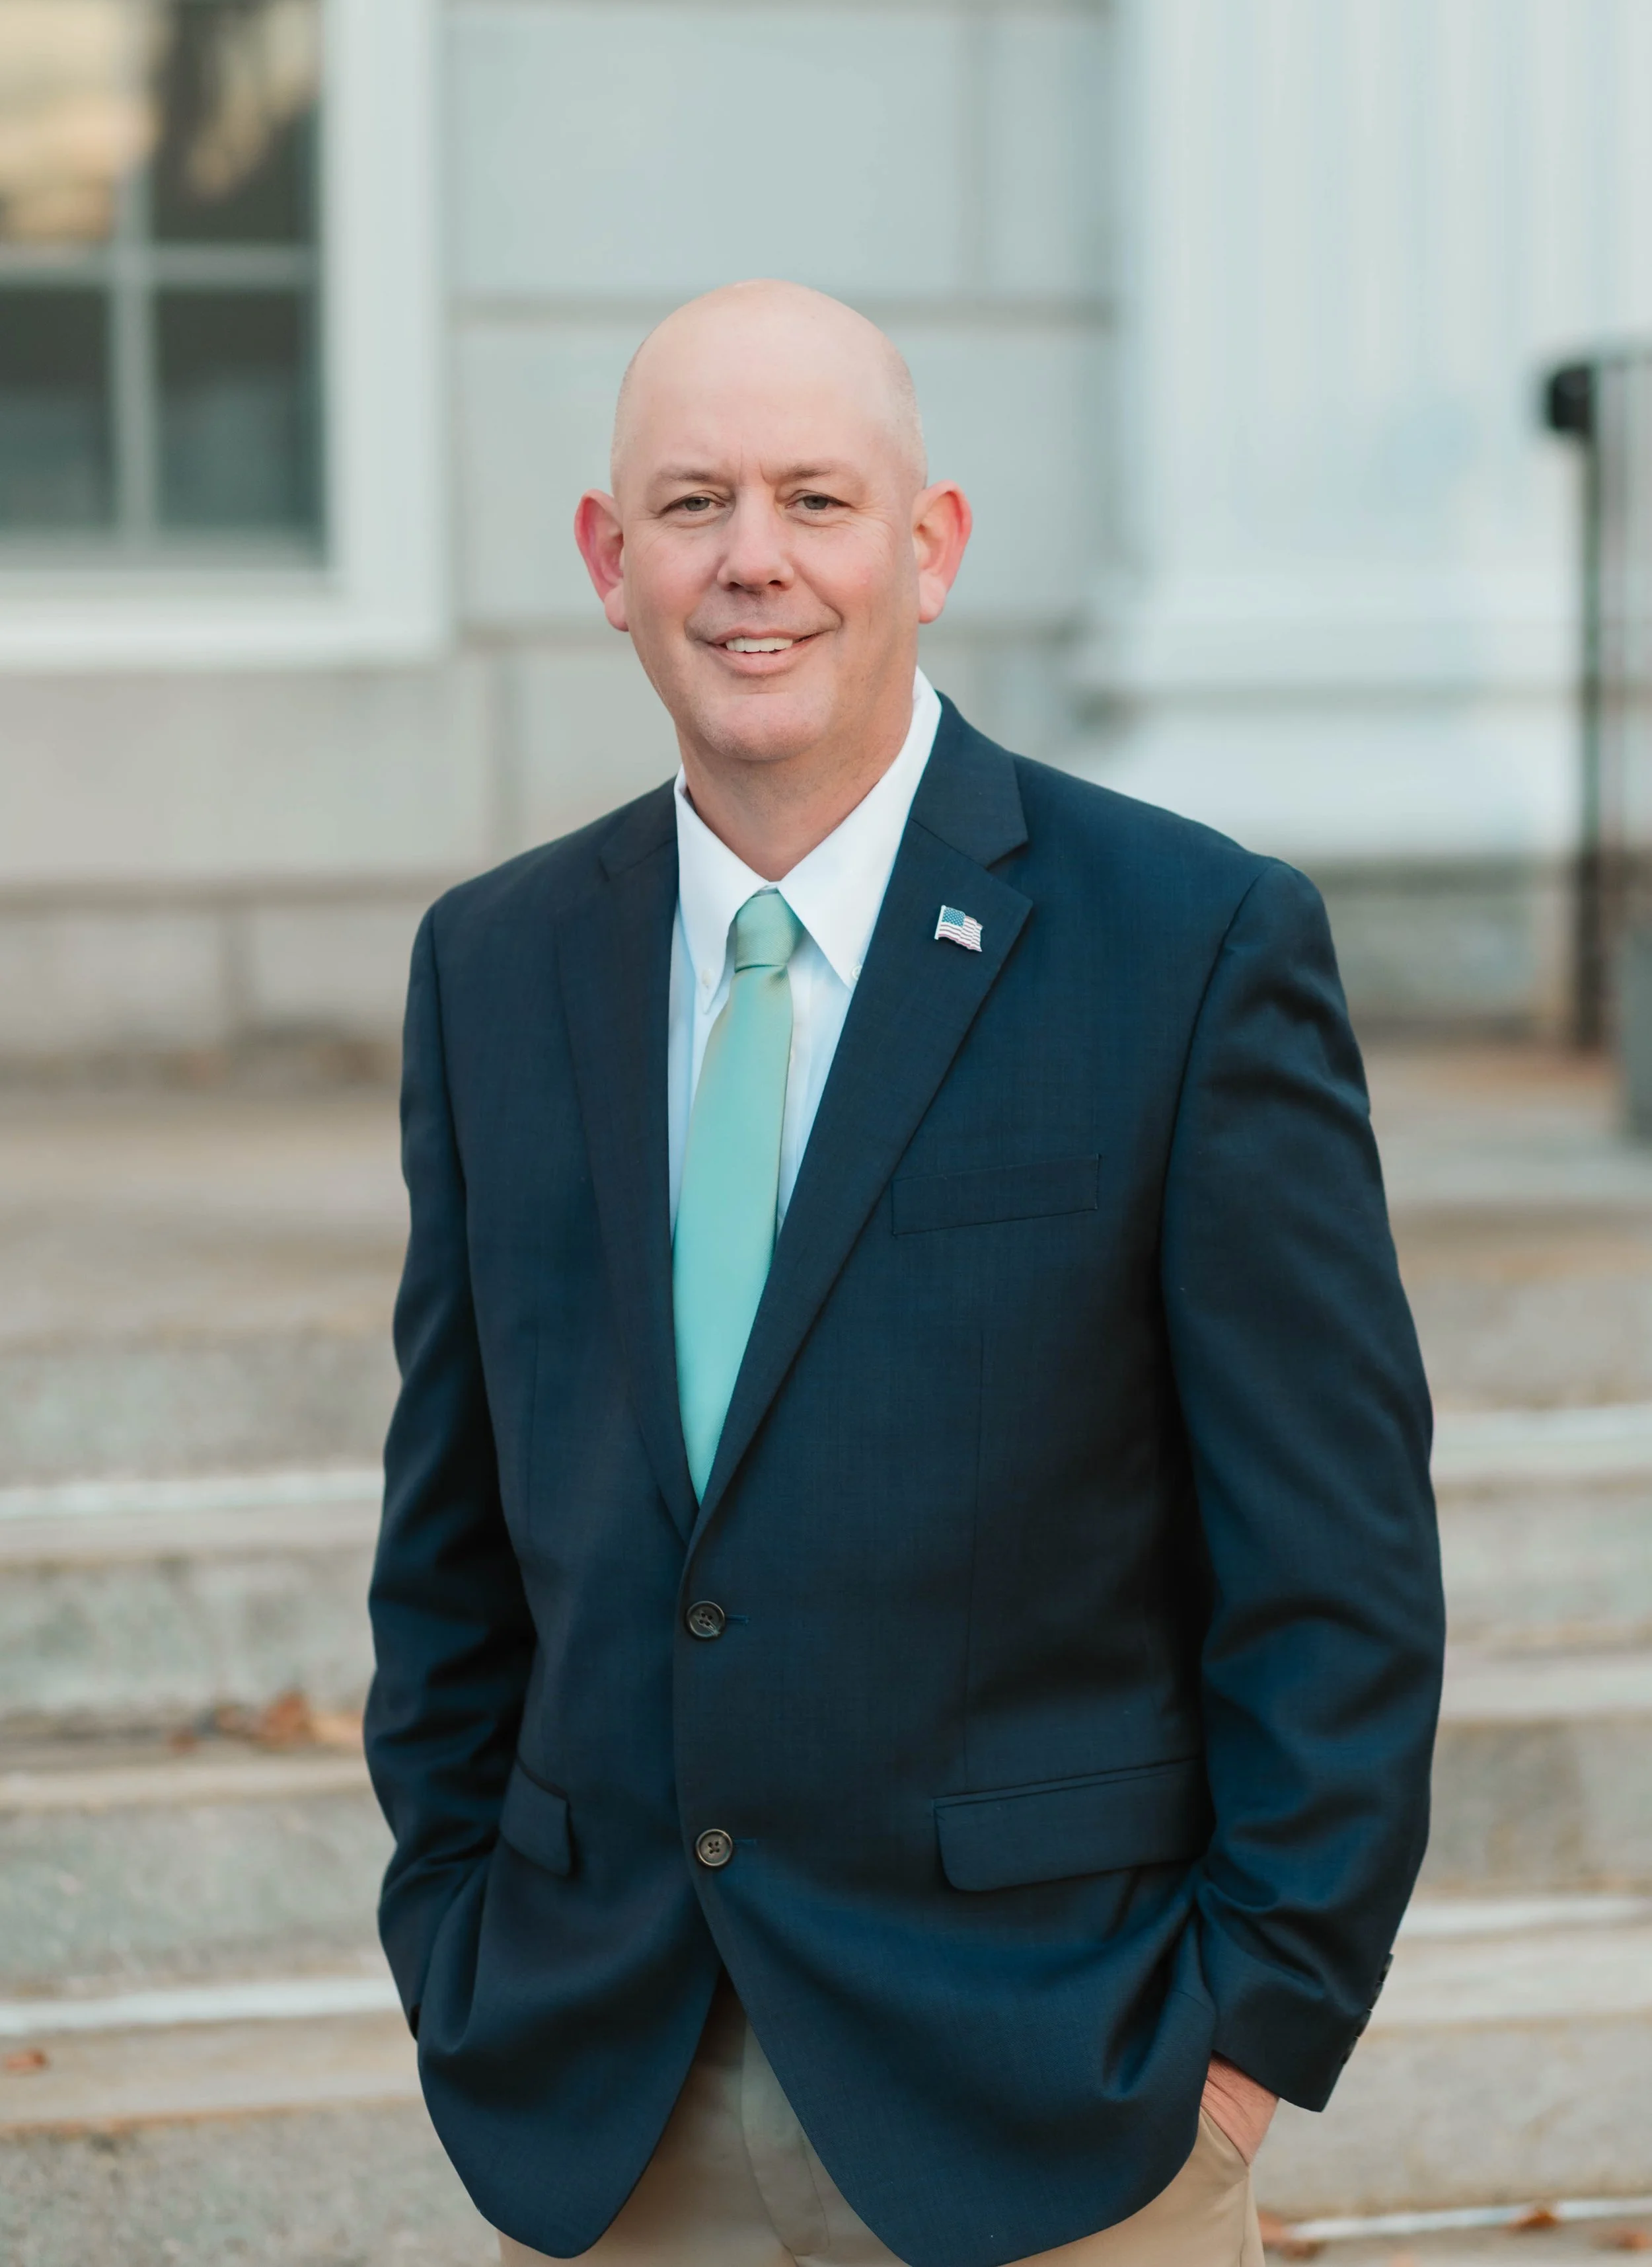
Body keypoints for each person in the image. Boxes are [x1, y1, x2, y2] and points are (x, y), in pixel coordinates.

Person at [365, 281, 1444, 2267]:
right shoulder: (495, 969)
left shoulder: (1189, 945)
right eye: (690, 504)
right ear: (610, 564)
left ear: (927, 548)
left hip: (1056, 2096)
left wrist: (1248, 2031)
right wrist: (456, 1930)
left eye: (813, 499)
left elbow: (1334, 1561)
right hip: (610, 2093)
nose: (750, 560)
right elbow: (451, 1541)